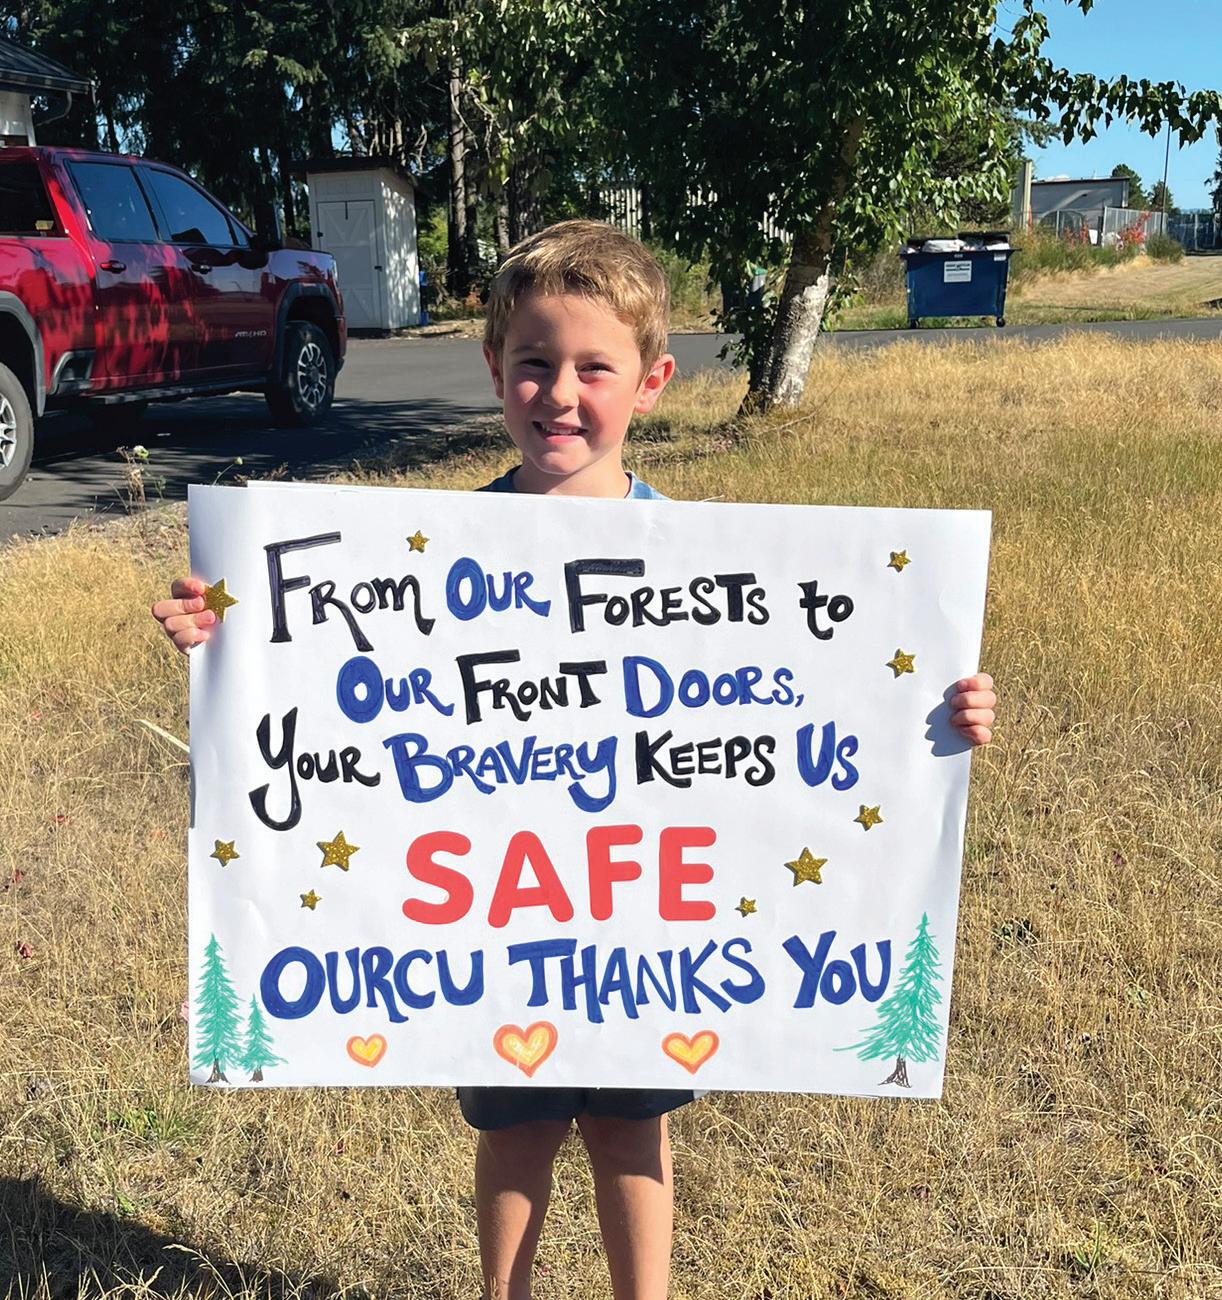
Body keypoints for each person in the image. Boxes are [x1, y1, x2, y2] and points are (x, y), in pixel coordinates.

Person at [152, 219, 997, 1300]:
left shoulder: (706, 567)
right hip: (495, 927)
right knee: (515, 1131)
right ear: (493, 368)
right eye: (535, 362)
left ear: (652, 383)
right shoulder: (420, 565)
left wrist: (939, 709)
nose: (559, 393)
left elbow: (810, 695)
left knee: (632, 1134)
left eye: (594, 367)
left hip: (645, 925)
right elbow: (319, 677)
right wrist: (223, 631)